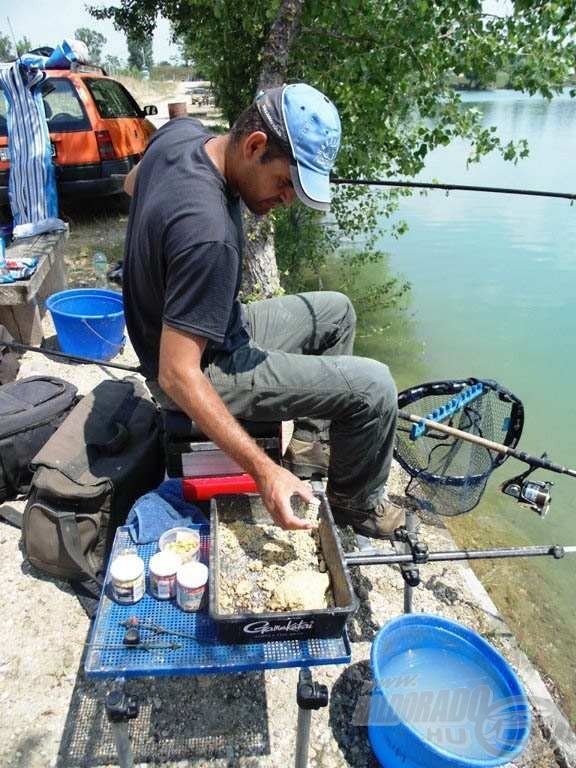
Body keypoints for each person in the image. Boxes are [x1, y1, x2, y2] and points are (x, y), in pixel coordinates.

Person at [122, 82, 403, 538]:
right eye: (286, 183)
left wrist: (157, 252)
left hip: (213, 327)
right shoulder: (208, 233)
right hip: (198, 367)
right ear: (255, 146)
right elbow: (177, 375)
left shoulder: (182, 135)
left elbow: (131, 183)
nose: (288, 200)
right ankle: (357, 506)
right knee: (374, 387)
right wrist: (262, 471)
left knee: (337, 312)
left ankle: (310, 446)